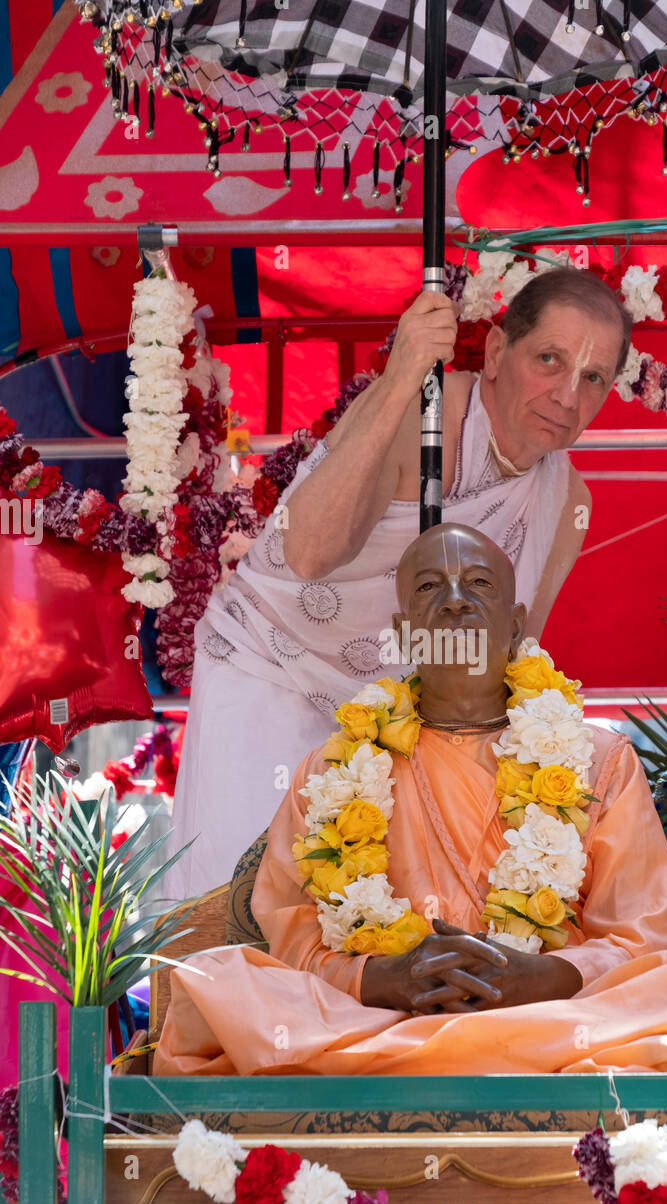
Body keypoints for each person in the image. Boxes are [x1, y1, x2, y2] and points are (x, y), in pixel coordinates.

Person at [155, 523, 667, 1076]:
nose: (455, 602)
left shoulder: (601, 761)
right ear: (404, 632)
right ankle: (455, 1046)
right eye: (429, 588)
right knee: (220, 985)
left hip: (551, 1017)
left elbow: (640, 939)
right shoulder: (334, 767)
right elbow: (291, 935)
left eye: (479, 583)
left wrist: (533, 979)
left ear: (515, 624)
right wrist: (383, 978)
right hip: (381, 1018)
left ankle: (464, 1047)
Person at [165, 268, 631, 901]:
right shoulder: (420, 411)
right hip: (271, 669)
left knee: (368, 942)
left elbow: (513, 657)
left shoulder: (565, 498)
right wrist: (402, 375)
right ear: (496, 352)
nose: (567, 397)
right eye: (549, 360)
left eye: (593, 378)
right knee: (251, 913)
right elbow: (307, 552)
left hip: (399, 724)